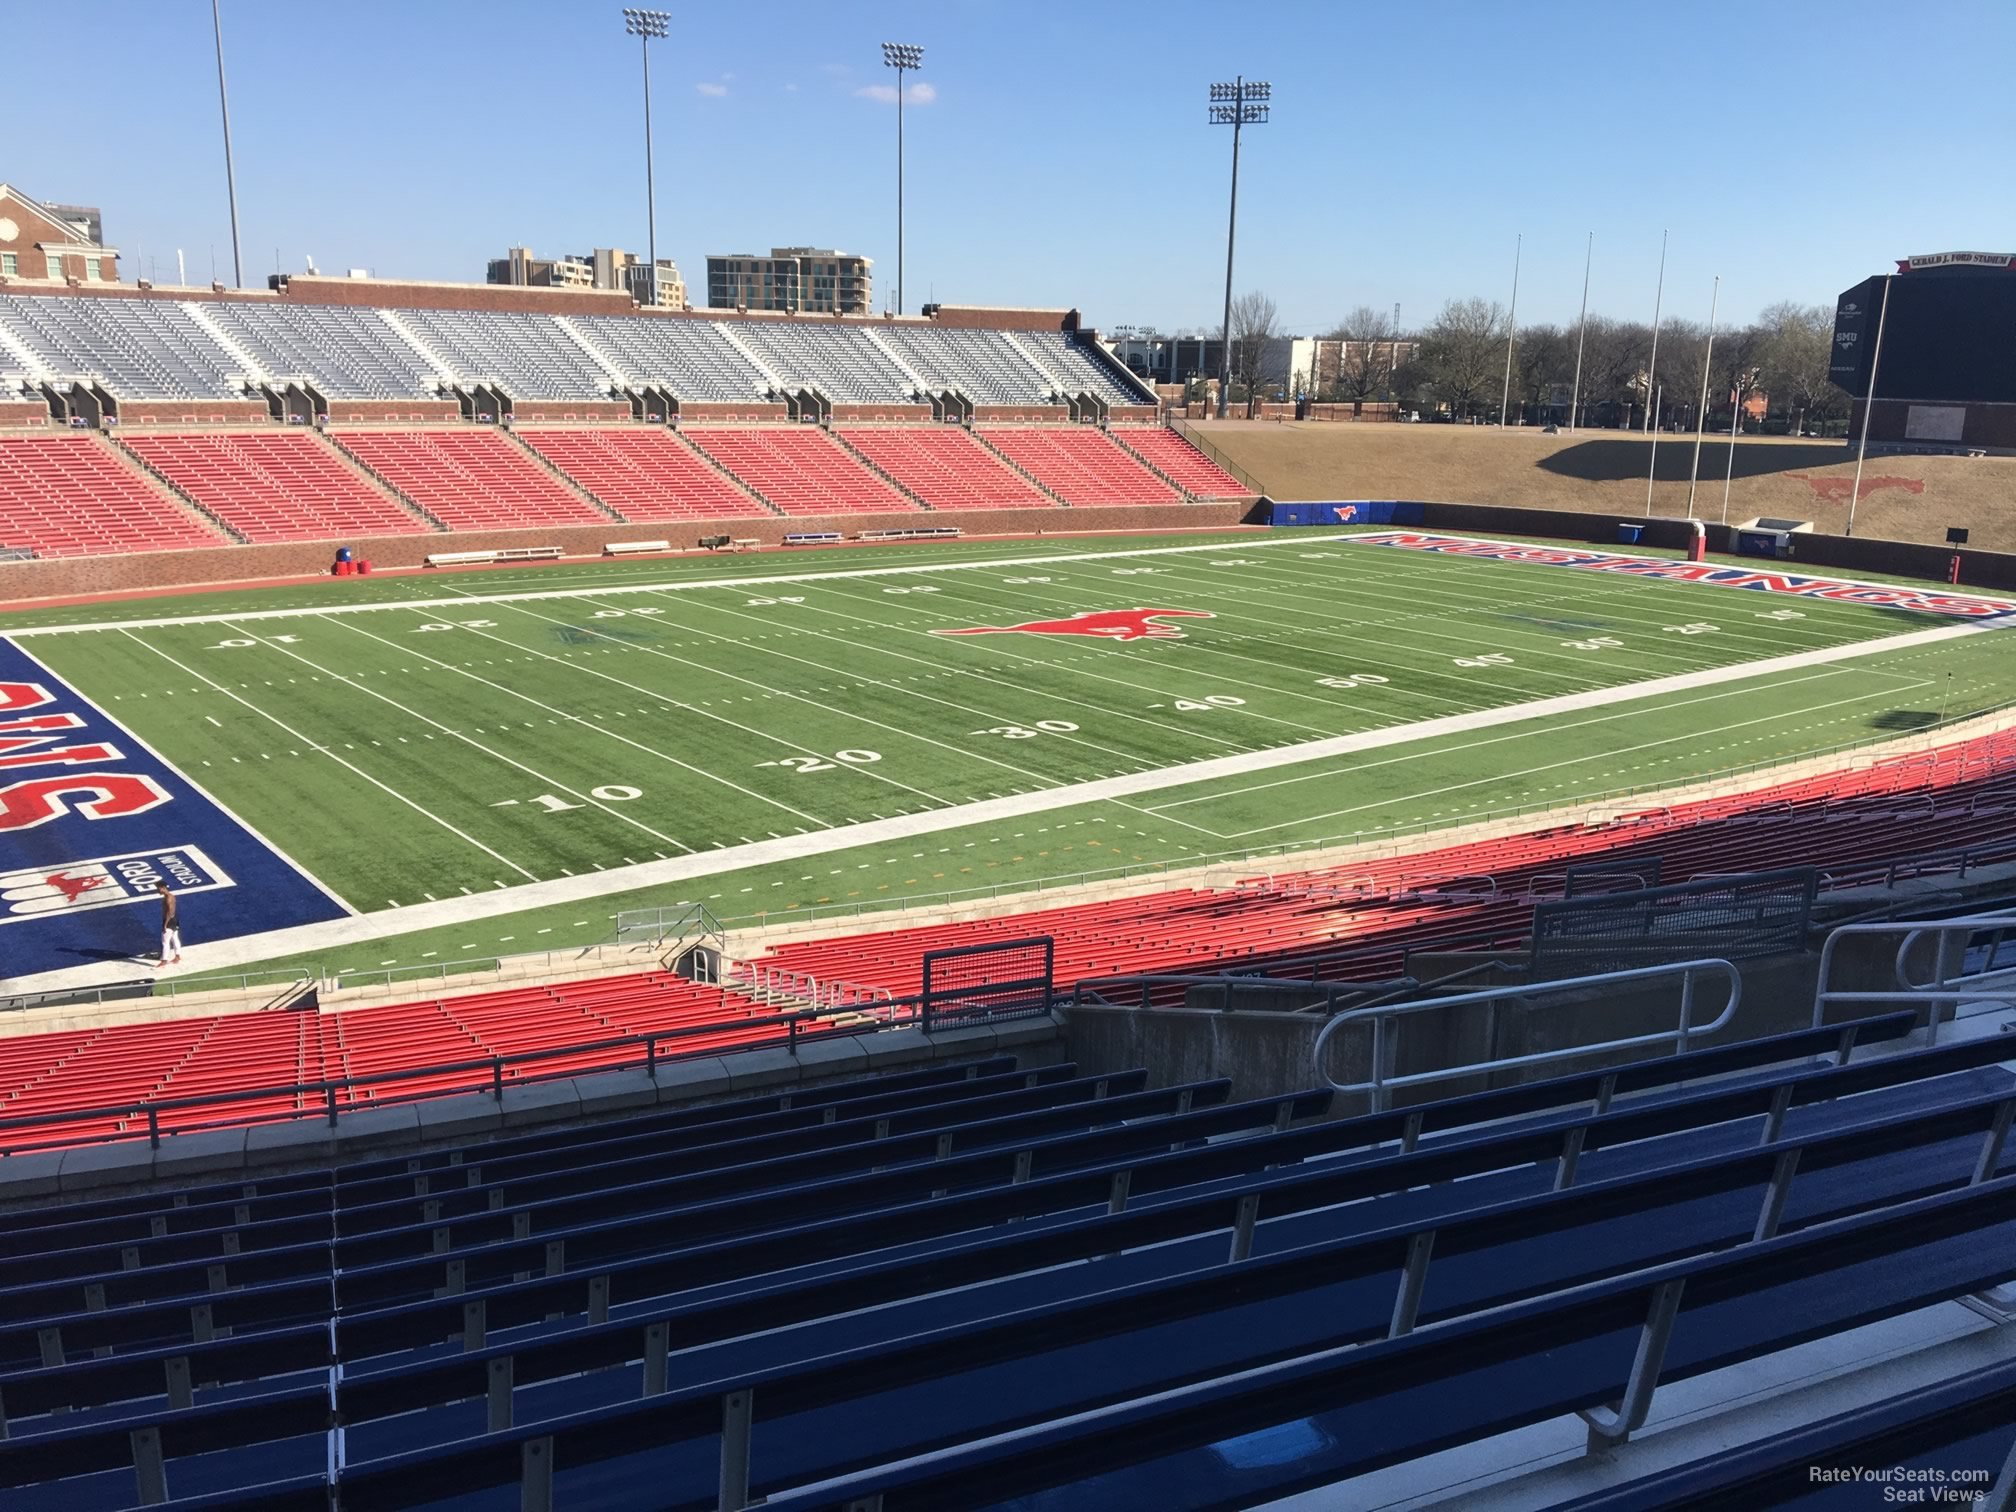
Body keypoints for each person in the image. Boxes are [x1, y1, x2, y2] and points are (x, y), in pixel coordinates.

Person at [156, 881, 183, 966]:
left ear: (163, 888)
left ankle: (164, 961)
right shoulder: (171, 896)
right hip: (174, 920)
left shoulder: (168, 898)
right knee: (175, 938)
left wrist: (165, 924)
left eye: (158, 889)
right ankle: (177, 956)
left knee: (165, 941)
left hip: (169, 921)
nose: (157, 891)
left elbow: (170, 912)